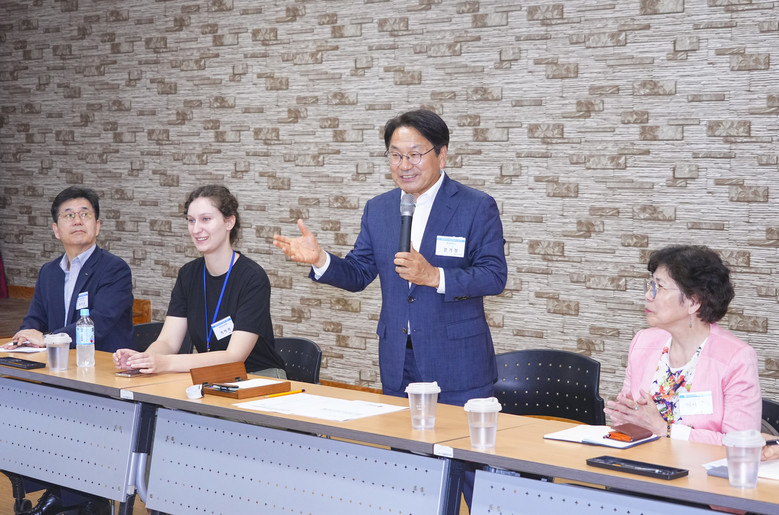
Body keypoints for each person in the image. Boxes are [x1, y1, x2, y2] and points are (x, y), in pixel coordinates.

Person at [273, 109, 508, 406]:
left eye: (415, 154)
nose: (404, 165)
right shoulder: (379, 209)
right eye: (396, 155)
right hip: (398, 361)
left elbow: (494, 276)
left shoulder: (475, 206)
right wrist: (321, 260)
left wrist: (435, 276)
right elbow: (359, 272)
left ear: (442, 155)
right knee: (399, 437)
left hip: (458, 363)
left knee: (459, 438)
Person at [2, 186, 133, 515]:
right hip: (60, 374)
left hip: (102, 377)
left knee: (63, 414)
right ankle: (61, 492)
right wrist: (25, 335)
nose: (77, 220)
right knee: (20, 407)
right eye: (69, 215)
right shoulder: (49, 272)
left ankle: (78, 498)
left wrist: (46, 339)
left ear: (97, 225)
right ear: (55, 229)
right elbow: (35, 318)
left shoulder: (114, 269)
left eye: (85, 214)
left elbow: (98, 323)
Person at [113, 184, 286, 377]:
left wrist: (165, 362)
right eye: (191, 220)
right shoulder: (188, 274)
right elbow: (168, 342)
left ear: (229, 222)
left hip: (258, 377)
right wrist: (144, 359)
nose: (196, 229)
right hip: (211, 377)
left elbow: (234, 356)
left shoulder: (252, 277)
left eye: (206, 219)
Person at [605, 245, 761, 446]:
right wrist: (625, 416)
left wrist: (664, 430)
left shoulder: (736, 357)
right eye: (650, 285)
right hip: (642, 459)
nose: (648, 295)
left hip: (702, 465)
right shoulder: (643, 342)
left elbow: (741, 444)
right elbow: (625, 420)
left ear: (693, 302)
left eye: (659, 287)